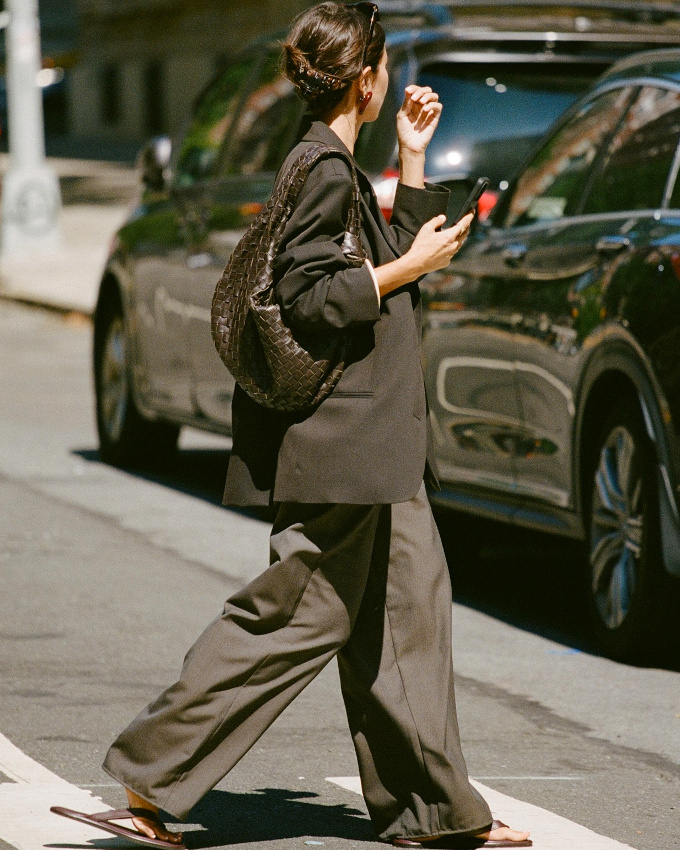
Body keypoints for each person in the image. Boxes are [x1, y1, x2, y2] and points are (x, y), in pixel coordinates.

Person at [51, 3, 530, 848]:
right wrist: (408, 266)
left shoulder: (333, 161)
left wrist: (412, 162)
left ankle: (433, 815)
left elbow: (373, 269)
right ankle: (150, 782)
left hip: (375, 444)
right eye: (383, 71)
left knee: (410, 619)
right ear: (367, 77)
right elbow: (315, 295)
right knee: (293, 617)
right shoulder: (322, 169)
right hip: (344, 446)